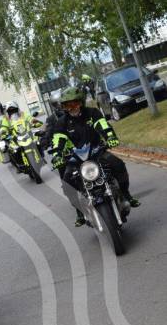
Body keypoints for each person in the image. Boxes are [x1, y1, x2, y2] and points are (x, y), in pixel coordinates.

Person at [51, 87, 140, 227]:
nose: (72, 107)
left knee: (118, 164)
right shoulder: (62, 122)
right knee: (67, 181)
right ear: (64, 107)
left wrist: (110, 137)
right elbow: (58, 139)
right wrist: (57, 155)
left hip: (97, 151)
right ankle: (80, 212)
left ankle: (126, 194)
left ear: (81, 102)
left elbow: (103, 125)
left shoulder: (92, 113)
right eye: (68, 105)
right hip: (75, 158)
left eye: (74, 103)